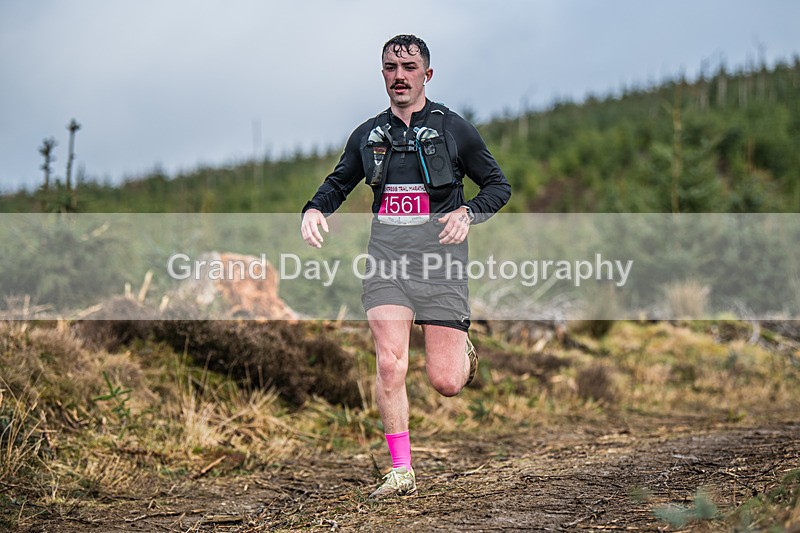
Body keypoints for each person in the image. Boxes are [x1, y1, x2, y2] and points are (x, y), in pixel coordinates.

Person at [301, 34, 511, 499]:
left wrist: (467, 212)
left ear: (427, 75)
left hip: (441, 265)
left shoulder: (454, 129)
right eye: (392, 67)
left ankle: (461, 351)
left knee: (446, 382)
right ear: (382, 75)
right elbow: (338, 184)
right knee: (390, 363)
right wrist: (314, 209)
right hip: (387, 262)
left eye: (410, 67)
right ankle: (401, 471)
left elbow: (498, 185)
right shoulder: (368, 135)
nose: (400, 75)